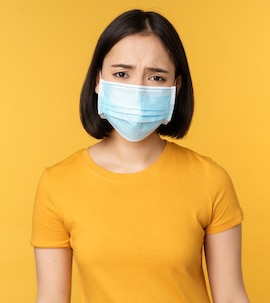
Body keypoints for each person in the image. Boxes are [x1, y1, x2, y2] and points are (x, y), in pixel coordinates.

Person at [31, 9, 250, 303]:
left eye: (156, 77)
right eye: (122, 73)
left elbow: (231, 296)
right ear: (98, 80)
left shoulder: (210, 179)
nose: (138, 89)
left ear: (176, 87)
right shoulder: (58, 184)